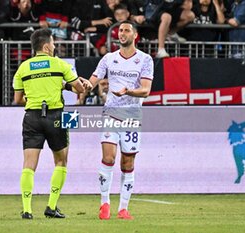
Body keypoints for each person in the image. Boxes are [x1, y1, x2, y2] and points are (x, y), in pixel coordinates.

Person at [13, 28, 86, 220]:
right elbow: (79, 88)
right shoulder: (59, 64)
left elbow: (18, 99)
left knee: (28, 165)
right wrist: (74, 84)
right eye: (53, 43)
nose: (54, 46)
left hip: (31, 116)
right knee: (61, 161)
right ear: (46, 46)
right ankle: (51, 206)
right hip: (56, 115)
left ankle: (27, 210)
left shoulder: (23, 68)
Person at [85, 20, 153, 220]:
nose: (121, 34)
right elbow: (92, 80)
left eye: (126, 30)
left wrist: (129, 91)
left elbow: (146, 90)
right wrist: (83, 85)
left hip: (132, 116)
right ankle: (104, 203)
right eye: (119, 30)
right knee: (108, 158)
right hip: (111, 114)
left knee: (127, 162)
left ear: (135, 35)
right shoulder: (108, 58)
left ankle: (123, 208)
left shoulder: (145, 59)